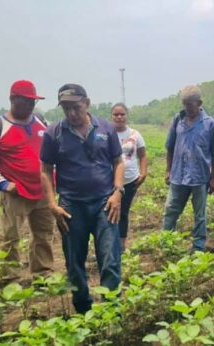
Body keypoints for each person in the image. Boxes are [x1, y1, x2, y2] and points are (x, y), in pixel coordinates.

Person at [40, 83, 125, 313]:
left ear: (87, 103)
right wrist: (51, 204)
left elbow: (118, 161)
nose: (71, 113)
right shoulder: (53, 134)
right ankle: (83, 311)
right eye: (66, 108)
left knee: (109, 259)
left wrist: (118, 192)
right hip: (70, 206)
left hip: (104, 203)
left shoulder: (106, 129)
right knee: (74, 262)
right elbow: (46, 170)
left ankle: (111, 311)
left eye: (75, 107)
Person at [0, 80, 54, 287]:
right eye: (26, 101)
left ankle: (43, 274)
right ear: (12, 99)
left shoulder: (40, 121)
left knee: (44, 234)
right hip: (15, 192)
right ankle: (9, 280)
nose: (30, 105)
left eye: (33, 101)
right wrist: (1, 183)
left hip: (43, 190)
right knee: (10, 237)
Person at [163, 85, 214, 252]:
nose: (187, 108)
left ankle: (198, 248)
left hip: (199, 177)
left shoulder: (210, 124)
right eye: (184, 104)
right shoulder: (177, 120)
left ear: (199, 103)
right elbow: (170, 147)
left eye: (190, 104)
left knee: (200, 216)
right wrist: (168, 170)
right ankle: (166, 243)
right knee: (170, 210)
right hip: (178, 176)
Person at [110, 102, 148, 251]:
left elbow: (143, 155)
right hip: (110, 181)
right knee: (110, 212)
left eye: (122, 114)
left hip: (130, 180)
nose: (119, 117)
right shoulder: (107, 133)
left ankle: (121, 245)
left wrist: (143, 173)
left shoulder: (135, 134)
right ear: (111, 116)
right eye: (116, 114)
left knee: (123, 212)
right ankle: (109, 245)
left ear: (126, 116)